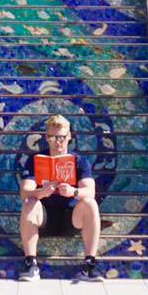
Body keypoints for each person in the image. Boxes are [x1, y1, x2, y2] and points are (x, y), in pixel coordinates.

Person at [18, 114, 102, 282]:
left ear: (69, 136)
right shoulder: (35, 160)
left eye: (62, 137)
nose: (58, 141)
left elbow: (90, 191)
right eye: (53, 137)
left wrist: (74, 191)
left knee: (90, 203)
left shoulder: (79, 161)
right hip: (44, 219)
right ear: (46, 138)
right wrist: (39, 192)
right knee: (29, 202)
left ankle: (89, 265)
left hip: (71, 218)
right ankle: (31, 264)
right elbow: (24, 191)